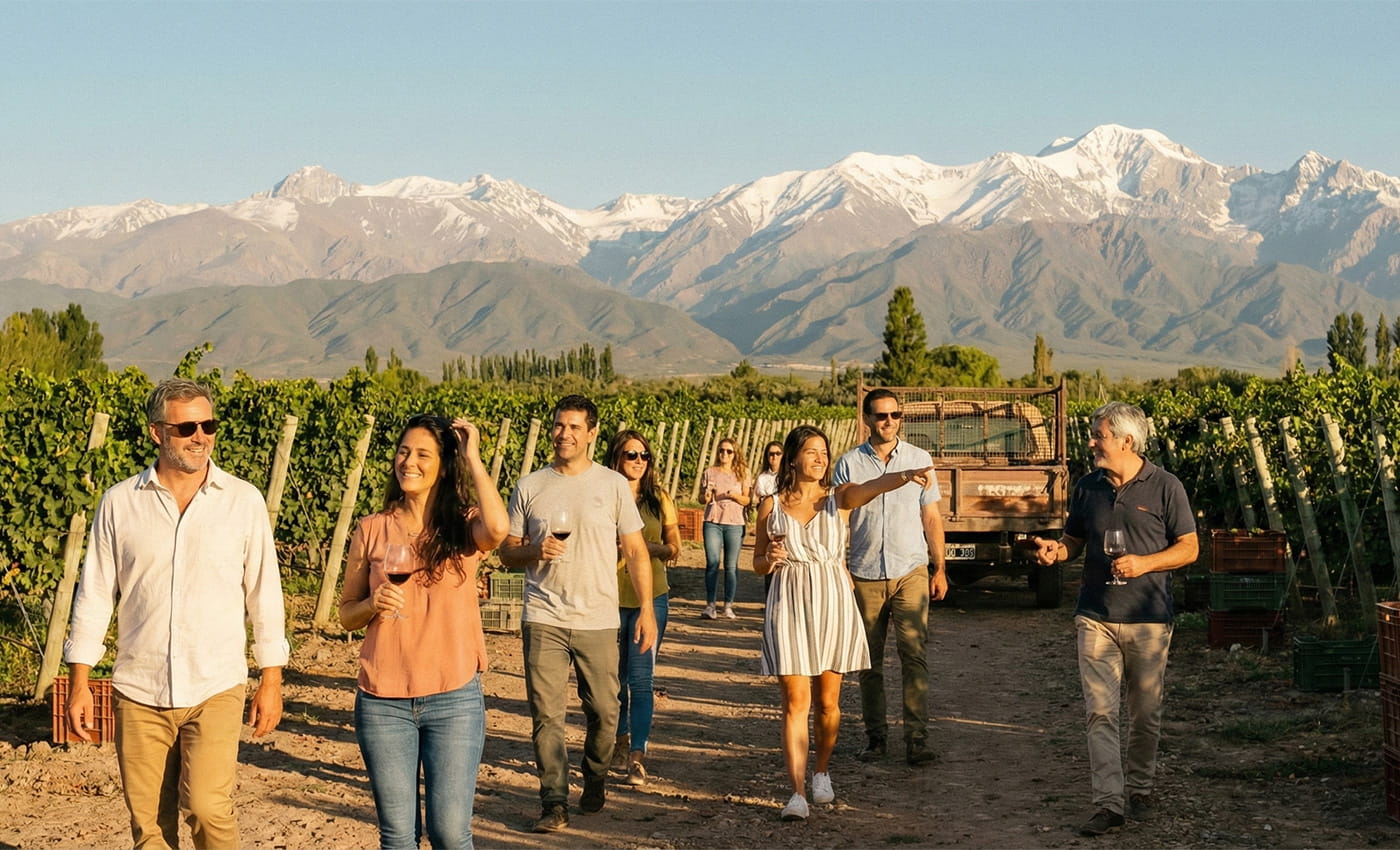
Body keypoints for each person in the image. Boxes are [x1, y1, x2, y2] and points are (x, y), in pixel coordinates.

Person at [63, 377, 289, 849]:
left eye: (208, 424)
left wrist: (271, 679)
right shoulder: (120, 504)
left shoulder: (242, 501)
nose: (200, 436)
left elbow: (265, 593)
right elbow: (96, 595)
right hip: (139, 687)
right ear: (156, 433)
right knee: (150, 828)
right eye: (187, 427)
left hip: (216, 685)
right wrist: (80, 681)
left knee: (209, 810)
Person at [338, 415, 509, 850]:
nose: (408, 462)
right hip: (382, 701)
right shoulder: (371, 528)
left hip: (453, 696)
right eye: (403, 451)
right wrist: (372, 605)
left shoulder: (463, 526)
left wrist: (472, 456)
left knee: (451, 833)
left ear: (442, 466)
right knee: (398, 838)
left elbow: (499, 529)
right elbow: (345, 614)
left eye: (422, 455)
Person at [1031, 401, 1197, 837]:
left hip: (1149, 618)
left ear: (1127, 440)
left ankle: (1140, 788)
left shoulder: (1166, 487)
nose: (1091, 441)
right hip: (1095, 617)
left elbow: (1190, 548)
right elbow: (1073, 540)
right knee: (1100, 713)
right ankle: (1109, 803)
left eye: (1098, 435)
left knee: (1145, 713)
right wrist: (1057, 552)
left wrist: (1144, 564)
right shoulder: (1088, 487)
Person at [752, 424, 928, 822]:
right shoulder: (770, 505)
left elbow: (875, 485)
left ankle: (821, 772)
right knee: (795, 703)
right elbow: (757, 561)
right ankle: (796, 793)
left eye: (824, 453)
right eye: (812, 452)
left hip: (832, 599)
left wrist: (905, 474)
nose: (820, 459)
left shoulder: (839, 498)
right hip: (789, 601)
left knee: (828, 703)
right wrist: (770, 559)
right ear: (794, 457)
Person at [500, 395, 658, 834]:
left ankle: (595, 772)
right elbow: (507, 551)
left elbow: (636, 551)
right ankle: (553, 801)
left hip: (599, 618)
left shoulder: (612, 485)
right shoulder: (530, 485)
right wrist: (535, 549)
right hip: (543, 614)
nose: (563, 434)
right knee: (546, 715)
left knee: (605, 712)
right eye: (558, 426)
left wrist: (646, 609)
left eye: (573, 427)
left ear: (591, 433)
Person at [833, 388, 947, 766]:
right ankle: (876, 737)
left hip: (909, 569)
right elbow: (840, 520)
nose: (889, 422)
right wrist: (841, 567)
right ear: (865, 419)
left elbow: (931, 517)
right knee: (868, 661)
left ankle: (917, 739)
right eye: (881, 415)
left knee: (914, 653)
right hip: (864, 572)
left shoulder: (920, 459)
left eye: (895, 415)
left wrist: (940, 566)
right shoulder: (849, 464)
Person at [606, 429, 680, 787]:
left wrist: (645, 549)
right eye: (630, 455)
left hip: (651, 598)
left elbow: (674, 548)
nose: (638, 461)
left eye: (644, 455)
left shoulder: (658, 499)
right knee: (614, 681)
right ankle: (618, 743)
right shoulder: (602, 496)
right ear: (616, 458)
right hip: (608, 597)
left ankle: (637, 755)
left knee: (642, 679)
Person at [699, 436, 751, 619]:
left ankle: (728, 605)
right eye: (722, 450)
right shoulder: (709, 472)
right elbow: (701, 498)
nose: (724, 454)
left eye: (729, 451)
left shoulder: (743, 473)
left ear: (735, 453)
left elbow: (747, 500)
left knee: (730, 566)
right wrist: (705, 497)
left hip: (735, 523)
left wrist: (734, 496)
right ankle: (710, 605)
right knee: (712, 563)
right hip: (713, 521)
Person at [754, 441, 784, 595]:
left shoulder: (788, 476)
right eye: (771, 454)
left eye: (777, 453)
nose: (774, 457)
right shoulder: (763, 478)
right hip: (769, 521)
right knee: (769, 557)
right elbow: (761, 498)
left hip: (784, 520)